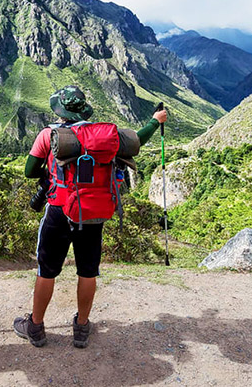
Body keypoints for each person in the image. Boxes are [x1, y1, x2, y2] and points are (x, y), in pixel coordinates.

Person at [13, 86, 167, 348]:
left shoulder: (48, 135)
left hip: (59, 210)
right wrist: (156, 121)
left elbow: (29, 171)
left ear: (59, 111)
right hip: (92, 212)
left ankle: (36, 326)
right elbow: (138, 140)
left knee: (46, 271)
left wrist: (48, 166)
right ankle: (82, 327)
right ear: (84, 109)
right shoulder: (107, 137)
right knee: (87, 271)